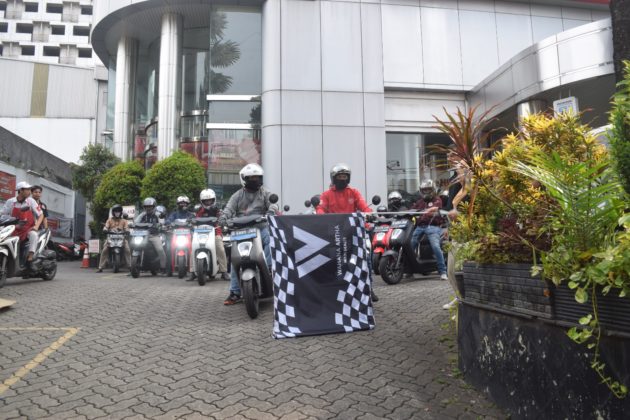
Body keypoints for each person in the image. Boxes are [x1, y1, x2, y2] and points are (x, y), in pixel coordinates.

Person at [316, 163, 378, 302]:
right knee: (331, 260)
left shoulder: (354, 192)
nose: (342, 179)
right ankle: (331, 288)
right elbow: (320, 208)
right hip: (335, 233)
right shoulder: (326, 195)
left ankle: (368, 288)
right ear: (333, 178)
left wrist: (369, 213)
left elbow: (363, 206)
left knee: (366, 257)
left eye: (345, 176)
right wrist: (320, 215)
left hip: (353, 232)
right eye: (340, 176)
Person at [219, 163, 279, 305]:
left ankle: (269, 269)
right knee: (235, 259)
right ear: (244, 179)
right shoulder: (237, 195)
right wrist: (223, 218)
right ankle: (234, 292)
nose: (255, 180)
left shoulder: (265, 192)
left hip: (260, 228)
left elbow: (273, 204)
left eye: (257, 177)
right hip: (240, 230)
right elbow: (228, 209)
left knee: (270, 240)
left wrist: (271, 210)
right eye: (251, 178)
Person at [411, 179, 448, 281]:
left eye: (428, 189)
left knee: (435, 246)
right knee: (410, 245)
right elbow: (412, 209)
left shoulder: (437, 200)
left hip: (433, 226)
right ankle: (408, 269)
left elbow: (436, 208)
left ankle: (443, 271)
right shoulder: (419, 202)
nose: (426, 192)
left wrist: (429, 210)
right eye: (424, 190)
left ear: (433, 190)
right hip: (419, 227)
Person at [0, 181, 43, 264]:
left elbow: (41, 214)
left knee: (34, 235)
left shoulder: (31, 201)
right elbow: (3, 214)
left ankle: (30, 257)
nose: (29, 192)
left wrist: (36, 226)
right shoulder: (10, 202)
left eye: (30, 190)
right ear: (20, 190)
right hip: (14, 228)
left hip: (27, 228)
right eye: (27, 190)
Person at [194, 189, 230, 282]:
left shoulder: (217, 209)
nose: (208, 202)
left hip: (215, 232)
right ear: (202, 201)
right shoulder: (199, 210)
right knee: (192, 247)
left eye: (210, 200)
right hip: (200, 233)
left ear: (213, 200)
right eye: (206, 201)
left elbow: (222, 218)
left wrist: (222, 221)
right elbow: (195, 219)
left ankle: (224, 271)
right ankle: (192, 271)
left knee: (220, 248)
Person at [134, 197, 167, 274]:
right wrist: (132, 224)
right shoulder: (142, 215)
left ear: (154, 207)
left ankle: (163, 267)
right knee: (134, 246)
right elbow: (136, 221)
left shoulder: (157, 215)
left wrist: (161, 224)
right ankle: (132, 266)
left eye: (150, 206)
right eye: (146, 207)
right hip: (142, 236)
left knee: (160, 249)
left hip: (154, 235)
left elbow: (162, 221)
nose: (148, 208)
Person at [97, 204, 131, 272]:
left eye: (119, 211)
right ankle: (100, 267)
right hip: (111, 238)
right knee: (104, 250)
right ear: (113, 212)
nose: (117, 213)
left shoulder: (124, 221)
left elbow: (126, 228)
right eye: (116, 211)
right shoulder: (109, 220)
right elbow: (106, 227)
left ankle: (130, 266)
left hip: (121, 238)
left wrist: (127, 231)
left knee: (127, 249)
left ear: (121, 212)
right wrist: (105, 229)